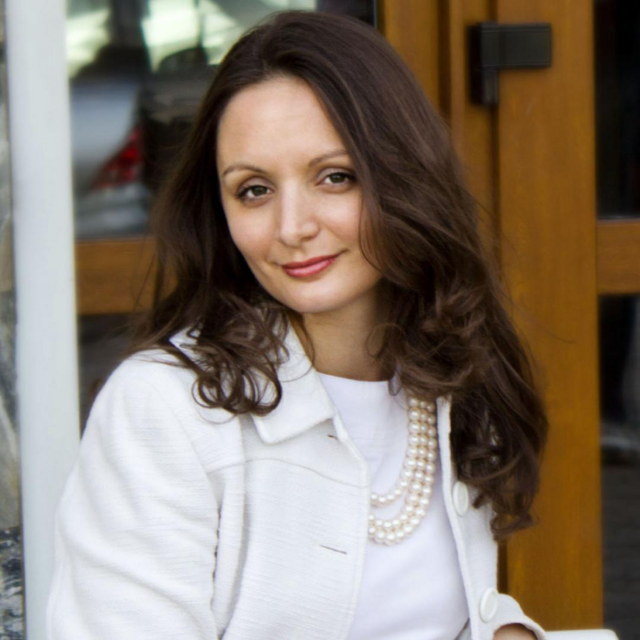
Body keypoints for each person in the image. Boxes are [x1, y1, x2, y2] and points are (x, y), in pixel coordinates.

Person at [47, 10, 548, 640]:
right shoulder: (163, 409)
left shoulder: (445, 376)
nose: (292, 227)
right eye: (254, 190)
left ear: (405, 178)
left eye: (334, 177)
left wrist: (504, 630)